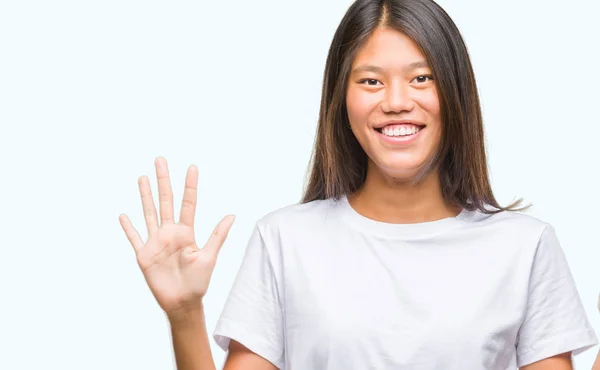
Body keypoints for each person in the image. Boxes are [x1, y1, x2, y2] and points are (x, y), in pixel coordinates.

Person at [118, 0, 598, 369]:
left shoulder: (525, 246)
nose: (395, 102)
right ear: (341, 99)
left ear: (455, 93)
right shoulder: (285, 240)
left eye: (421, 78)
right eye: (370, 81)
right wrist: (184, 314)